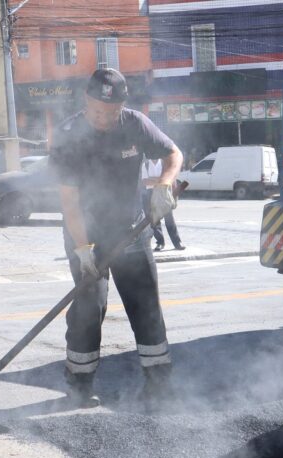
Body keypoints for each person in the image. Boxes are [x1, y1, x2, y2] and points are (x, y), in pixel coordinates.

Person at [48, 68, 184, 408]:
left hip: (131, 231)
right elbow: (70, 203)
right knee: (88, 307)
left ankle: (159, 384)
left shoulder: (134, 124)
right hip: (87, 235)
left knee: (146, 306)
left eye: (112, 112)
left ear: (122, 106)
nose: (105, 118)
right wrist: (83, 251)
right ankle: (79, 386)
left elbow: (173, 154)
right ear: (86, 101)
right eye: (97, 111)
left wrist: (166, 184)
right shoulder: (67, 136)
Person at [142, 158, 186, 252]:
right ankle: (160, 242)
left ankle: (177, 242)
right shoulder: (145, 164)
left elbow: (169, 179)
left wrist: (154, 180)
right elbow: (145, 182)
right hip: (151, 193)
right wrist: (161, 179)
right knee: (155, 221)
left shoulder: (164, 163)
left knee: (169, 218)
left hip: (164, 192)